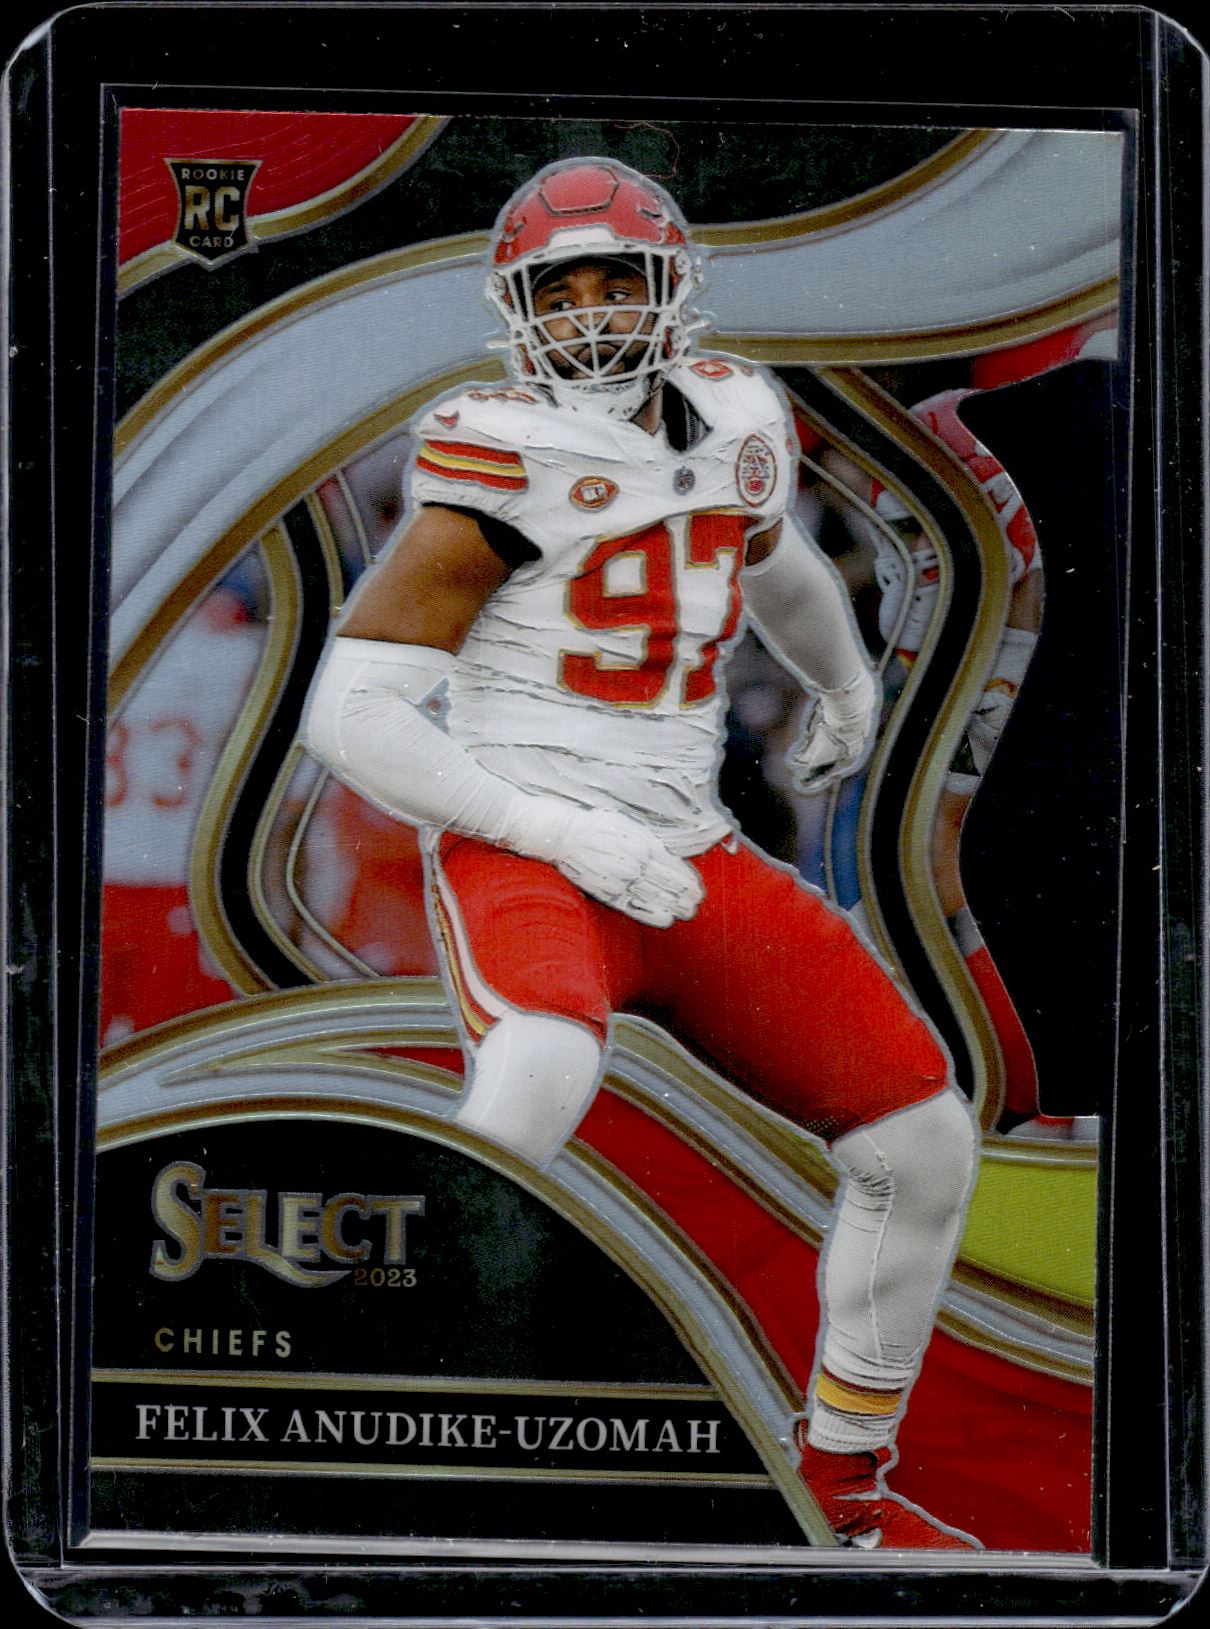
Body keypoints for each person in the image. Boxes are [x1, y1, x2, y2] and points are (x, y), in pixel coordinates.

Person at [303, 159, 980, 1549]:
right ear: (520, 309)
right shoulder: (502, 453)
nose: (597, 313)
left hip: (688, 849)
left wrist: (843, 681)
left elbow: (771, 558)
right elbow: (350, 715)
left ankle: (841, 1489)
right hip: (531, 841)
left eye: (622, 281)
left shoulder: (735, 411)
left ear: (675, 289)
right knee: (538, 1074)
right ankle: (381, 1424)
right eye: (566, 291)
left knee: (922, 1142)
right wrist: (558, 831)